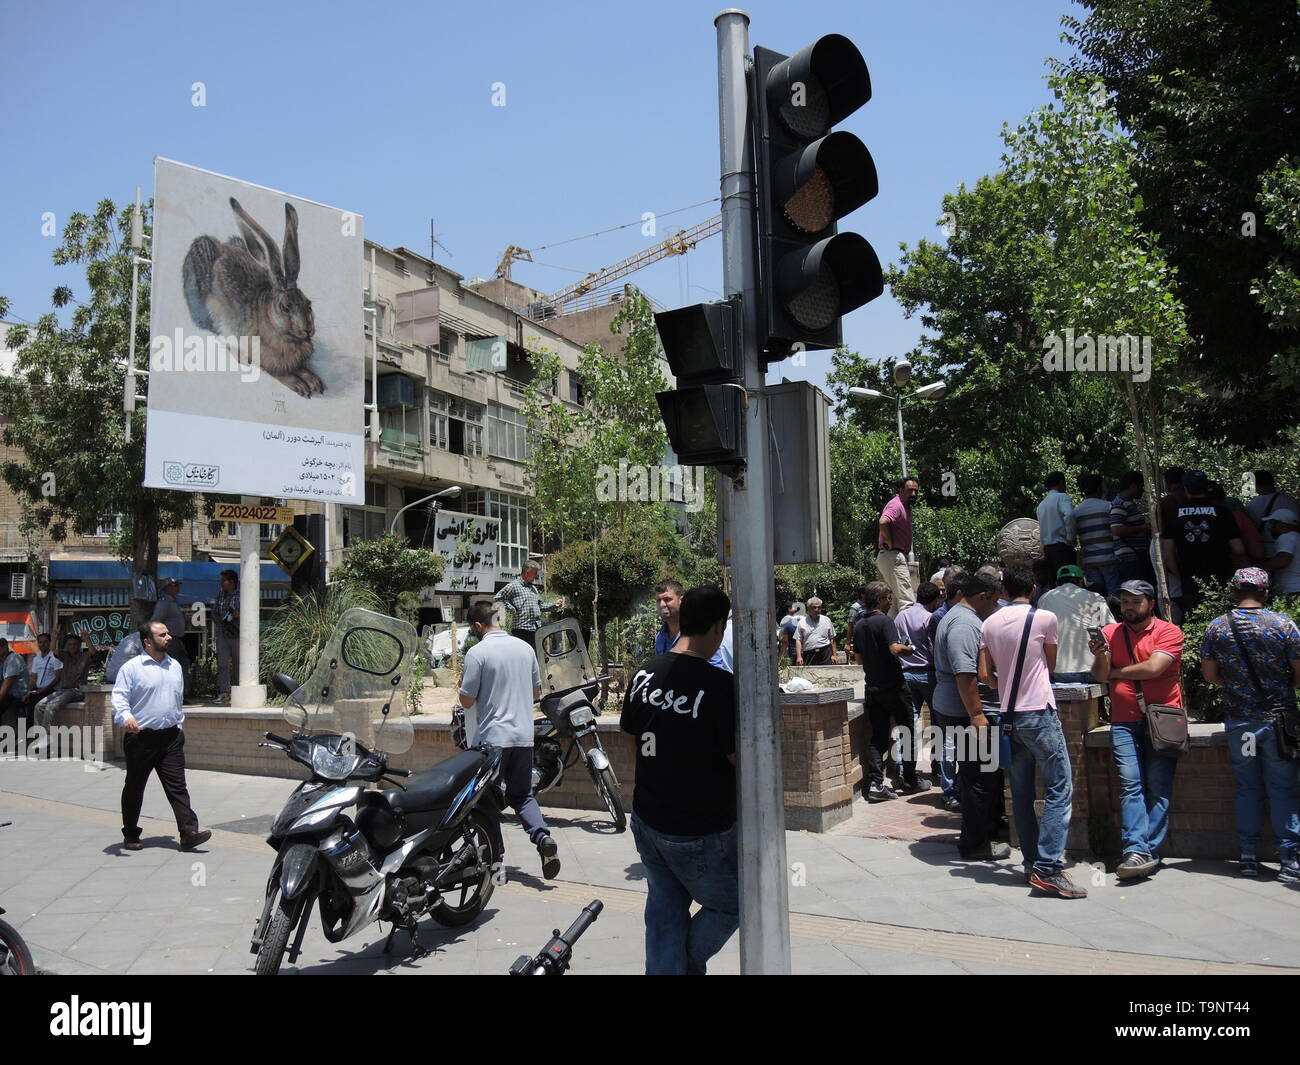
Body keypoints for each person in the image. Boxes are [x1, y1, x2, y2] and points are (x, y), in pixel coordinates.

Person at [621, 586, 737, 975]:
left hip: (648, 816)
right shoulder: (720, 687)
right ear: (718, 627)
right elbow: (737, 758)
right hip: (699, 827)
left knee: (665, 909)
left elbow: (632, 739)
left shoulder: (643, 674)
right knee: (734, 902)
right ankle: (681, 966)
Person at [979, 565, 1085, 899]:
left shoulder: (989, 623)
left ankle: (1030, 864)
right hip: (1038, 712)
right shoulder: (1044, 619)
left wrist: (1005, 686)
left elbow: (984, 674)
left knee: (1021, 796)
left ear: (1003, 591)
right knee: (1059, 787)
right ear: (1034, 589)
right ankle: (1049, 867)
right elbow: (1050, 664)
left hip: (1007, 717)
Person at [1200, 568, 1300, 881]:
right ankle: (1290, 860)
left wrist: (1235, 688)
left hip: (1242, 724)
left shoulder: (1217, 627)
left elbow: (1210, 675)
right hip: (1279, 722)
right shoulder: (1283, 624)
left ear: (1233, 592)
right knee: (1283, 788)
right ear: (1266, 593)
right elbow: (1299, 673)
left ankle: (1247, 856)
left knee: (1248, 787)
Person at [1089, 579, 1183, 880]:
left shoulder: (1169, 632)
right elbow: (1100, 675)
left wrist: (1117, 672)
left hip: (1163, 718)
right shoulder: (1109, 633)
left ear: (1150, 603)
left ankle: (1148, 850)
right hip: (1124, 720)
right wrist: (1102, 655)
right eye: (1125, 601)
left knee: (1159, 787)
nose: (1128, 606)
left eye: (1135, 601)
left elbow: (1154, 668)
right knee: (1131, 785)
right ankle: (1135, 849)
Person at [457, 600, 558, 878]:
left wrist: (463, 686)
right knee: (522, 795)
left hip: (492, 740)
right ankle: (542, 838)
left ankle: (494, 856)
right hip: (523, 737)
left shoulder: (477, 653)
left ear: (478, 625)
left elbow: (466, 701)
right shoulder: (525, 648)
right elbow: (537, 693)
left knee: (485, 799)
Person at [112, 621, 211, 851]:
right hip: (141, 739)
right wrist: (126, 717)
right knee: (135, 787)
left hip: (171, 739)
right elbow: (119, 698)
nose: (169, 637)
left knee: (178, 786)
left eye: (168, 633)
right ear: (148, 641)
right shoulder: (132, 668)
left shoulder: (174, 666)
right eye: (162, 634)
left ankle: (189, 833)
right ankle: (130, 834)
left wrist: (179, 726)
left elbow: (176, 700)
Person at [933, 571, 1006, 845]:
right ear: (982, 596)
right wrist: (977, 714)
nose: (996, 607)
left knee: (983, 774)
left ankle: (987, 831)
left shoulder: (962, 617)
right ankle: (976, 844)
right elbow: (966, 673)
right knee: (980, 778)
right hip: (964, 711)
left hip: (961, 708)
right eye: (994, 601)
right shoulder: (964, 623)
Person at [855, 582, 923, 800]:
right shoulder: (885, 622)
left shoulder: (859, 624)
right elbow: (895, 649)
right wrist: (910, 648)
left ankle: (876, 785)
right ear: (881, 599)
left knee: (877, 737)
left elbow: (858, 658)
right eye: (888, 597)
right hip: (894, 688)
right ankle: (910, 780)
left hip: (872, 688)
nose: (890, 600)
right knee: (907, 732)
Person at [1161, 470, 1246, 615]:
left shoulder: (1174, 514)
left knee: (1196, 620)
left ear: (1185, 488)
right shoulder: (1223, 511)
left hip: (1190, 579)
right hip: (1221, 576)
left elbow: (1168, 555)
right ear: (1206, 487)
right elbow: (1238, 549)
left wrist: (1182, 576)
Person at [895, 581, 943, 786]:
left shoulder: (901, 616)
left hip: (905, 673)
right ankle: (937, 765)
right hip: (928, 674)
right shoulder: (930, 618)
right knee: (937, 722)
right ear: (934, 600)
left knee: (907, 721)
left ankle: (901, 765)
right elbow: (935, 647)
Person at [1037, 565, 1115, 684]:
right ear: (1081, 581)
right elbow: (1110, 629)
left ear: (1057, 582)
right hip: (1093, 671)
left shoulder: (1044, 598)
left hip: (1059, 673)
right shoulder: (1094, 597)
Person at [655, 579, 734, 671]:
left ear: (681, 600)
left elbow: (715, 667)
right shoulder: (660, 637)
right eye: (658, 600)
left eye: (667, 599)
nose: (662, 604)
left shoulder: (697, 632)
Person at [32, 634, 92, 754]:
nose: (72, 646)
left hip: (76, 690)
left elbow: (93, 652)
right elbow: (53, 651)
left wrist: (86, 638)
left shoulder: (85, 656)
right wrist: (54, 637)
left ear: (79, 645)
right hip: (63, 690)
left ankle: (47, 738)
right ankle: (41, 737)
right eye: (70, 644)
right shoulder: (65, 656)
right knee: (39, 706)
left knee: (51, 706)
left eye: (75, 644)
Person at [493, 559, 564, 649]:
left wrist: (555, 605)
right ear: (527, 572)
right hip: (521, 630)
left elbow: (541, 606)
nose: (536, 576)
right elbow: (498, 598)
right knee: (523, 658)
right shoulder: (514, 585)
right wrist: (511, 608)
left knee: (535, 657)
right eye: (535, 573)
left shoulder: (533, 588)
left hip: (536, 629)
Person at [876, 477, 920, 616]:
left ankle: (892, 634)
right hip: (893, 556)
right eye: (910, 491)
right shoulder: (896, 505)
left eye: (916, 491)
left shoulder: (904, 506)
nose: (913, 494)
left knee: (894, 602)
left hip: (890, 557)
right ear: (901, 490)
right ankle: (911, 635)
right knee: (907, 601)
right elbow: (883, 521)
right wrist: (888, 539)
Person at [1075, 474, 1119, 593]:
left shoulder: (1077, 512)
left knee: (1097, 597)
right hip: (1110, 559)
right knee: (1115, 595)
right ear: (1099, 488)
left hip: (1090, 561)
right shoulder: (1109, 507)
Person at [1110, 470, 1155, 586]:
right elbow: (1117, 529)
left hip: (1136, 557)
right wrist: (1143, 528)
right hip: (1130, 559)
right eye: (1141, 486)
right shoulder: (1120, 504)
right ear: (1133, 486)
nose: (1143, 490)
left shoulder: (1129, 503)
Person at [1246, 470, 1298, 559]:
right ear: (1272, 482)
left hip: (1263, 549)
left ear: (1255, 485)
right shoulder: (1290, 501)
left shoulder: (1252, 504)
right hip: (1290, 548)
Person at [1036, 472, 1077, 582]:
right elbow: (1069, 515)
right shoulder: (1062, 497)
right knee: (1068, 581)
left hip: (1048, 549)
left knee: (1055, 582)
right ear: (1061, 482)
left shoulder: (1041, 505)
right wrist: (1070, 537)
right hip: (1062, 547)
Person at [150, 578, 190, 687]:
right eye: (175, 585)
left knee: (182, 665)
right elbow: (155, 621)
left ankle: (182, 693)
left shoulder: (174, 601)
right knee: (172, 666)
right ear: (168, 587)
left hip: (178, 639)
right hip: (170, 640)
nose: (178, 587)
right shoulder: (164, 603)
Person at [214, 569, 240, 703]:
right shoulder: (220, 595)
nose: (221, 584)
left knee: (238, 665)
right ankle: (224, 692)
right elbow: (214, 611)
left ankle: (237, 692)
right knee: (222, 664)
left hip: (238, 634)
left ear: (232, 582)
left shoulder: (243, 594)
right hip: (223, 633)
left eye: (223, 581)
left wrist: (238, 614)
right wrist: (218, 621)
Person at [25, 632, 61, 722]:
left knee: (33, 704)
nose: (42, 644)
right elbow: (33, 678)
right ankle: (24, 731)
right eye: (40, 642)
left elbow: (57, 678)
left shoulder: (55, 658)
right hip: (38, 690)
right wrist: (28, 691)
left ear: (49, 643)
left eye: (45, 642)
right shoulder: (36, 659)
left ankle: (34, 732)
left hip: (51, 690)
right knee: (19, 703)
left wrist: (43, 690)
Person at [1262, 510, 1300, 596]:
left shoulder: (1286, 537)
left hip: (1292, 590)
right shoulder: (1297, 537)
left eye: (1272, 524)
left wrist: (1257, 568)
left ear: (1281, 524)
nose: (1270, 528)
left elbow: (1283, 560)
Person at [794, 597, 836, 666]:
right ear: (808, 609)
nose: (817, 610)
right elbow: (798, 640)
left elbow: (832, 638)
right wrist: (799, 656)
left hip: (825, 653)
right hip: (809, 654)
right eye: (814, 607)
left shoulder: (826, 620)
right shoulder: (802, 622)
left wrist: (834, 655)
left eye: (819, 607)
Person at [0, 638, 29, 732]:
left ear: (4, 647)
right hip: (8, 694)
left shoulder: (13, 659)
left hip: (17, 695)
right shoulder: (2, 660)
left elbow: (7, 683)